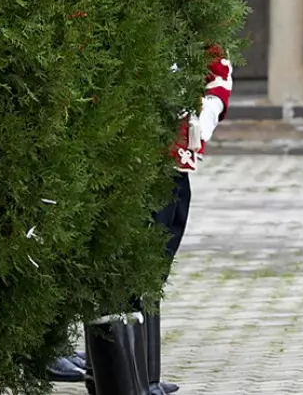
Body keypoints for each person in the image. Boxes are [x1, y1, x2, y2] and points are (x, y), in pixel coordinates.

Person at [83, 49, 232, 395]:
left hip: (174, 149)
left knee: (156, 258)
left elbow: (216, 64)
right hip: (127, 143)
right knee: (125, 266)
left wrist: (209, 110)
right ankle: (117, 379)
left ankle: (141, 378)